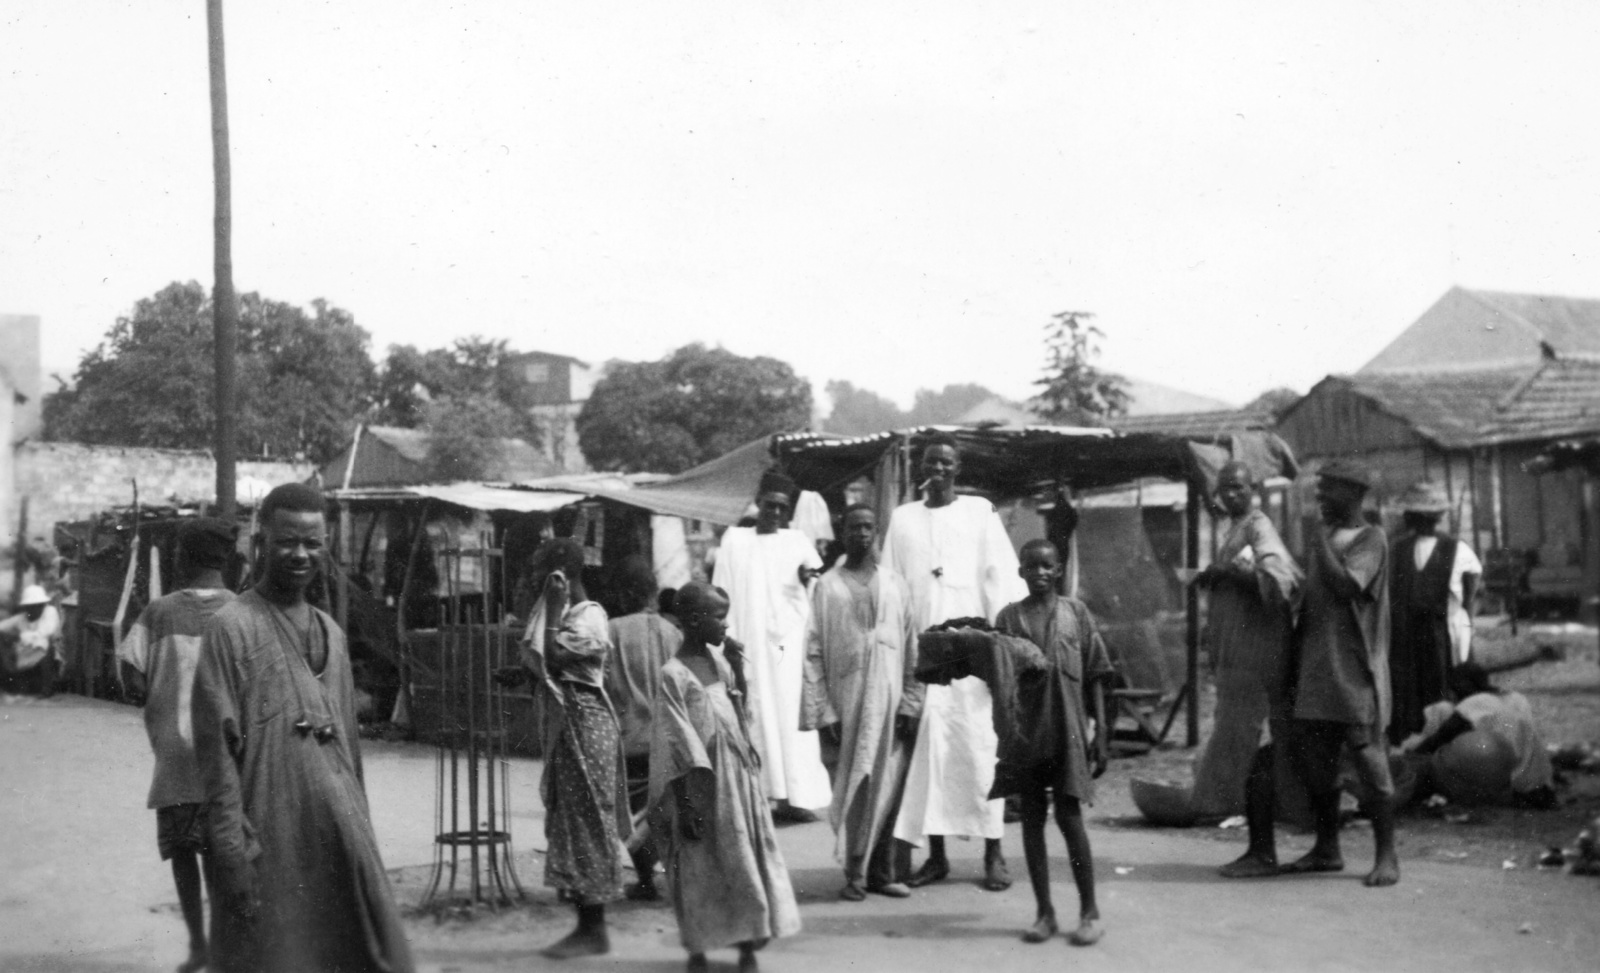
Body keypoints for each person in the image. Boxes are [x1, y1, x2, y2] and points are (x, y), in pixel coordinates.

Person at [192, 483, 415, 972]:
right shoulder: (231, 628)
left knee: (355, 952)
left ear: (326, 547)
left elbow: (349, 751)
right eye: (287, 541)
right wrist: (231, 852)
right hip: (270, 835)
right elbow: (216, 755)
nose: (300, 554)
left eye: (312, 543)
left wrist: (364, 839)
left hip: (337, 832)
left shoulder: (332, 634)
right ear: (260, 544)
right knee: (275, 954)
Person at [883, 432, 1025, 891]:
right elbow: (892, 586)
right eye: (930, 462)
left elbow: (1001, 577)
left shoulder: (979, 512)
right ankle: (938, 856)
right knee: (933, 755)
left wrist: (1001, 645)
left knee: (981, 749)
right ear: (921, 468)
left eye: (946, 462)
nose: (938, 469)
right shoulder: (903, 519)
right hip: (925, 653)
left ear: (957, 468)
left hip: (975, 652)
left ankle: (994, 853)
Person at [650, 582, 801, 973]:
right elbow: (676, 741)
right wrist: (685, 803)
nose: (726, 625)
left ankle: (747, 945)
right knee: (700, 866)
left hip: (736, 781)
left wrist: (737, 669)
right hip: (700, 785)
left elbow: (739, 712)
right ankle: (698, 949)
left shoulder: (719, 664)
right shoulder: (673, 675)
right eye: (720, 617)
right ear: (696, 620)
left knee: (742, 859)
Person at [117, 519, 239, 973]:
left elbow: (131, 674)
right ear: (226, 560)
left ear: (181, 558)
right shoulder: (243, 611)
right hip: (228, 757)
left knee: (184, 855)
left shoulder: (158, 612)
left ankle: (198, 946)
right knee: (226, 852)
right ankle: (226, 946)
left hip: (174, 758)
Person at [1279, 462, 1400, 888]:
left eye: (1327, 492)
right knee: (1318, 763)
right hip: (1317, 667)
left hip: (1354, 670)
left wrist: (1317, 543)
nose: (1320, 499)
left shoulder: (1371, 539)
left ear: (1353, 494)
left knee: (1368, 759)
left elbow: (1347, 586)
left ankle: (1387, 856)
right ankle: (1327, 849)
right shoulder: (1327, 540)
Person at [991, 540, 1114, 945]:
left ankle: (1089, 911)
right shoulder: (1009, 618)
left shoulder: (1076, 613)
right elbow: (1000, 682)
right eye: (1031, 566)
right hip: (1028, 734)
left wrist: (1102, 736)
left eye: (1047, 566)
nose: (1040, 573)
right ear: (1020, 571)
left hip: (1068, 730)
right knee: (1031, 819)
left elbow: (1097, 672)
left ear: (1058, 569)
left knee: (1069, 816)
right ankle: (1044, 912)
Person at [510, 538, 628, 957]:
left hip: (587, 724)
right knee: (569, 816)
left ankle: (593, 929)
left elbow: (557, 656)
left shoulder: (589, 614)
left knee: (588, 819)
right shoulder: (563, 614)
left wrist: (555, 608)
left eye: (539, 572)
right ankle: (584, 921)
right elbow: (547, 664)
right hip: (570, 724)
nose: (533, 582)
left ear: (560, 573)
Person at [1189, 462, 1304, 878]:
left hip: (1258, 661)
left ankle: (1263, 850)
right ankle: (1260, 846)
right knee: (1247, 749)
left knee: (1255, 750)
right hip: (1240, 660)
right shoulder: (1236, 529)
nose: (1230, 496)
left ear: (1254, 489)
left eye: (1238, 488)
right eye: (1224, 489)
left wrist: (1232, 573)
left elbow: (1279, 580)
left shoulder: (1258, 528)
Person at [800, 504, 920, 901]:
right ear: (842, 531)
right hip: (844, 702)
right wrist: (823, 709)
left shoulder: (895, 584)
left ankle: (881, 873)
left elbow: (913, 646)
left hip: (889, 701)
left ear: (876, 532)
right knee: (853, 781)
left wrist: (909, 702)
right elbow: (812, 651)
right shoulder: (827, 586)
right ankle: (853, 873)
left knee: (886, 781)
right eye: (855, 527)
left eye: (869, 527)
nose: (862, 534)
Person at [711, 469, 831, 821]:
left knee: (790, 718)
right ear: (758, 502)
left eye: (782, 507)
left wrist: (806, 579)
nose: (775, 512)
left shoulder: (797, 543)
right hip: (748, 644)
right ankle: (759, 797)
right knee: (755, 716)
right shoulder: (735, 540)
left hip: (787, 651)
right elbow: (721, 591)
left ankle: (795, 799)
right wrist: (723, 637)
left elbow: (815, 585)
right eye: (770, 505)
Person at [606, 554, 683, 901]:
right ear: (653, 592)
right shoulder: (673, 633)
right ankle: (678, 880)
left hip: (628, 737)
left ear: (623, 595)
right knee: (666, 812)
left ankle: (646, 881)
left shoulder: (612, 630)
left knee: (629, 812)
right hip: (667, 737)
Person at [1388, 480, 1482, 746]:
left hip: (1442, 627)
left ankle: (1445, 737)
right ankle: (1414, 735)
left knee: (1443, 680)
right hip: (1407, 629)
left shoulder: (1455, 548)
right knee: (1411, 683)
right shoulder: (1399, 548)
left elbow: (1471, 584)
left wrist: (1465, 616)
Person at [1398, 662, 1555, 809]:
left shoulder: (1475, 703)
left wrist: (1408, 757)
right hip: (1539, 785)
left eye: (1454, 688)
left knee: (1436, 764)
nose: (1453, 695)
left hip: (1514, 786)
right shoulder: (1515, 698)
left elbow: (1439, 739)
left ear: (1464, 685)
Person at [0, 584, 62, 697]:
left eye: (36, 605)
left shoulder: (50, 612)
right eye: (29, 606)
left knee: (45, 645)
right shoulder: (22, 617)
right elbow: (3, 626)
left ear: (42, 605)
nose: (32, 608)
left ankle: (47, 689)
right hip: (25, 659)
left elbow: (45, 632)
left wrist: (19, 637)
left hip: (49, 659)